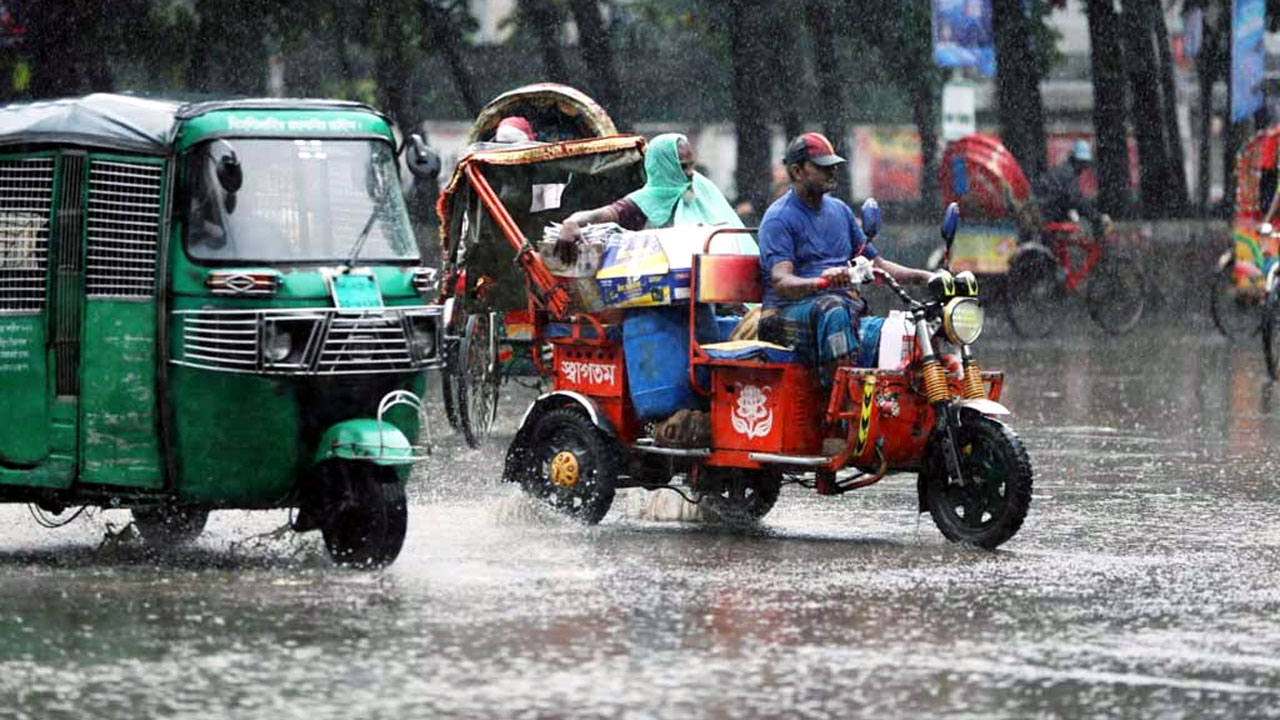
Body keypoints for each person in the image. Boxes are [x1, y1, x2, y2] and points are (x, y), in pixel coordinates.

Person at [757, 132, 932, 387]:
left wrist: (928, 277)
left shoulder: (839, 211)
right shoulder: (778, 218)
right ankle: (843, 407)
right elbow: (782, 281)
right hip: (783, 319)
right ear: (796, 171)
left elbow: (877, 265)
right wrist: (821, 282)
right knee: (833, 310)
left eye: (834, 166)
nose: (832, 172)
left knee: (902, 333)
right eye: (823, 167)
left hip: (841, 312)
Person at [555, 133, 755, 261]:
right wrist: (572, 221)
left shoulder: (700, 186)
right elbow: (606, 214)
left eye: (692, 164)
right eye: (682, 166)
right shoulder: (644, 200)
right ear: (664, 166)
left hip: (719, 290)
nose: (690, 172)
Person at [1034, 140, 1113, 238]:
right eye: (1083, 163)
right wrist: (1097, 216)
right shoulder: (1068, 174)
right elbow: (1076, 199)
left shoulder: (1063, 170)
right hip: (1047, 215)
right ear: (1076, 160)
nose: (1084, 168)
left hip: (1041, 211)